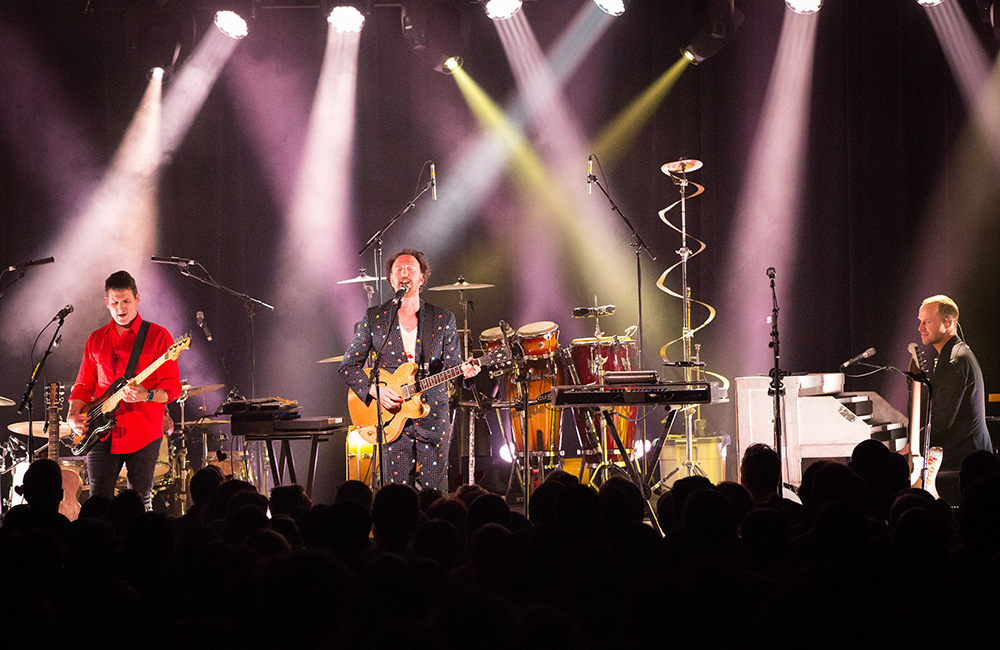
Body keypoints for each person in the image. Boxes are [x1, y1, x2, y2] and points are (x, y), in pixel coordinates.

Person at [339, 249, 480, 492]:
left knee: (434, 494)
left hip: (433, 416)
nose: (404, 273)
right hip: (391, 421)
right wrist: (374, 390)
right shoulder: (375, 318)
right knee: (396, 497)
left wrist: (465, 374)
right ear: (391, 280)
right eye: (399, 270)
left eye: (411, 269)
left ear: (422, 278)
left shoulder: (442, 318)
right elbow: (348, 366)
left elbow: (453, 365)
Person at [68, 270, 182, 511]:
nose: (121, 308)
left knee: (140, 502)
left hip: (143, 432)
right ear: (107, 302)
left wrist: (146, 395)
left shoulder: (158, 336)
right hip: (101, 432)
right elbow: (82, 387)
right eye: (116, 302)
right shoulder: (96, 339)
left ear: (137, 299)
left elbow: (171, 388)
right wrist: (73, 416)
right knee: (98, 501)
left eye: (127, 301)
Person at [917, 295, 992, 504]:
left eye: (927, 322)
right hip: (968, 454)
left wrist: (911, 444)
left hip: (967, 461)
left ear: (948, 323)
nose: (920, 327)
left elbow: (941, 422)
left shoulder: (954, 361)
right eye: (920, 321)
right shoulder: (953, 355)